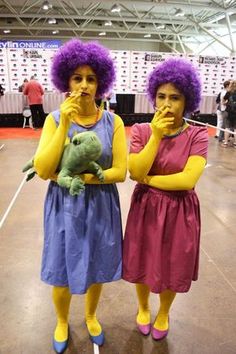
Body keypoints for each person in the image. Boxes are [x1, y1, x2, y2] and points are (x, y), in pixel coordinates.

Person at [32, 39, 127, 353]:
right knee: (61, 268)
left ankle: (90, 315)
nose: (84, 85)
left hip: (101, 205)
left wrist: (74, 177)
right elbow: (44, 169)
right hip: (64, 206)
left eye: (91, 78)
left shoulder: (114, 122)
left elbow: (120, 172)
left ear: (100, 83)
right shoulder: (53, 120)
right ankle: (61, 320)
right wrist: (64, 125)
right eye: (77, 78)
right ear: (66, 82)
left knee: (98, 264)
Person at [122, 58, 208, 341]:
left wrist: (148, 179)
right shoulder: (142, 131)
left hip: (180, 212)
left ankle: (164, 312)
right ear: (153, 97)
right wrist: (156, 137)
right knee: (142, 258)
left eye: (175, 97)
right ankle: (144, 307)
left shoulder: (197, 134)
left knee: (173, 263)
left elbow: (187, 180)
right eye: (161, 96)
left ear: (188, 100)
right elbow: (134, 170)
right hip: (145, 209)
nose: (167, 104)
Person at [221, 80, 236, 148]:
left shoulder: (229, 92)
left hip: (228, 112)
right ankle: (235, 144)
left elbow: (223, 101)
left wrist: (226, 103)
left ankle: (226, 143)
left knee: (227, 128)